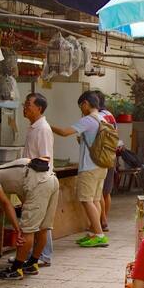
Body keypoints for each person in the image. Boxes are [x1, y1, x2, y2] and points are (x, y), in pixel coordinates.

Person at [0, 158, 59, 279]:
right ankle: (32, 264)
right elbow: (23, 194)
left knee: (27, 230)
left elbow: (6, 204)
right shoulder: (6, 173)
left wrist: (18, 228)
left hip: (38, 184)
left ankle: (16, 270)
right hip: (52, 180)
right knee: (43, 227)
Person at [51, 92, 109, 248]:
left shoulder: (88, 119)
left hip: (89, 167)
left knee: (86, 200)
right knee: (95, 199)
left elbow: (64, 132)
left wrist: (47, 126)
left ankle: (99, 235)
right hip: (101, 166)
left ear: (85, 103)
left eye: (80, 106)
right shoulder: (103, 118)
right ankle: (95, 232)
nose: (81, 110)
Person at [21, 92, 54, 266]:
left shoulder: (42, 129)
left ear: (39, 108)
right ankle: (36, 254)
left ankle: (43, 255)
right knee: (38, 219)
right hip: (32, 179)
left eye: (29, 105)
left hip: (39, 180)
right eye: (25, 104)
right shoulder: (33, 127)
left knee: (40, 220)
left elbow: (44, 158)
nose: (25, 108)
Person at [94, 91, 118, 233]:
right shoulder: (109, 115)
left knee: (99, 192)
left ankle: (100, 221)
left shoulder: (98, 117)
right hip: (111, 155)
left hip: (101, 156)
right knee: (106, 192)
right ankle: (104, 220)